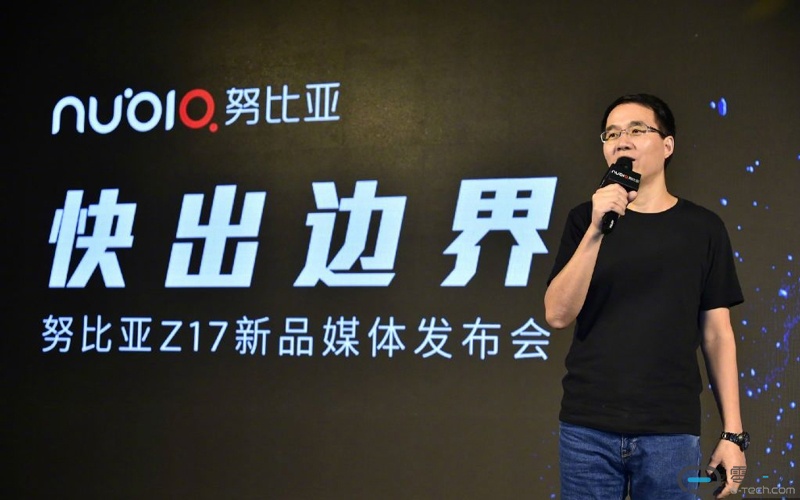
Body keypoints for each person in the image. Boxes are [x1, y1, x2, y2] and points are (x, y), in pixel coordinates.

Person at [544, 93, 748, 499]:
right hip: (587, 427)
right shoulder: (584, 220)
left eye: (637, 130)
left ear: (667, 145)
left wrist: (733, 434)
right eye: (612, 134)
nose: (622, 140)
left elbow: (717, 334)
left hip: (670, 431)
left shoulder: (703, 228)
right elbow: (557, 315)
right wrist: (596, 230)